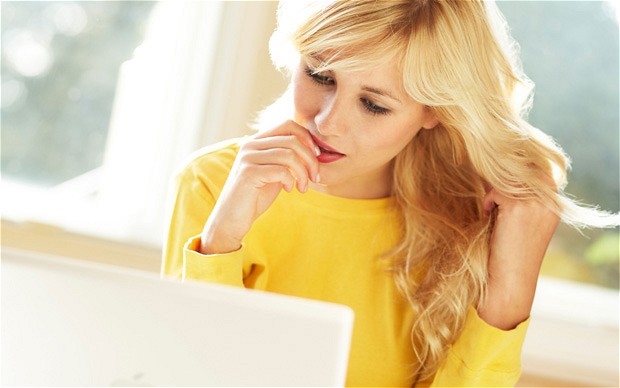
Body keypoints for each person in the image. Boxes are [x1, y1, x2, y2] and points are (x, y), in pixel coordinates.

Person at [161, 0, 618, 385]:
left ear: (434, 111)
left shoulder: (471, 216)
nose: (328, 122)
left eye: (374, 104)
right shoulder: (213, 182)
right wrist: (220, 240)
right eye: (320, 75)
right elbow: (182, 372)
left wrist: (513, 284)